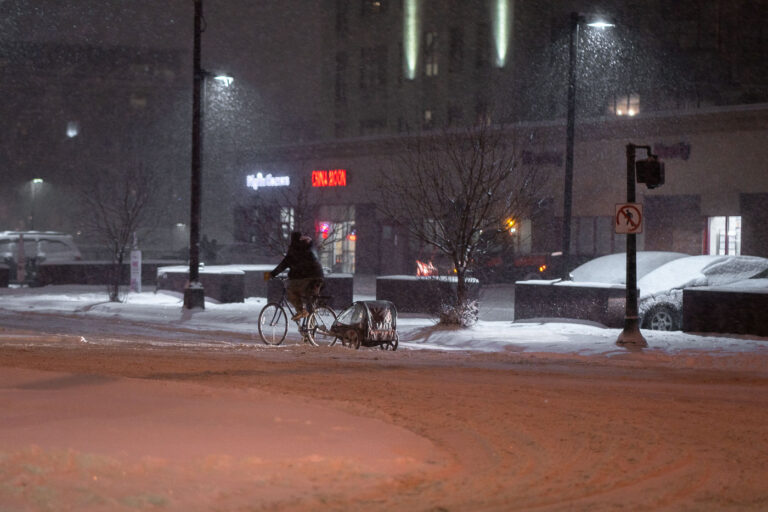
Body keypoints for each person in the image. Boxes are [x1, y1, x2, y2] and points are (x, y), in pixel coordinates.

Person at [268, 231, 324, 321]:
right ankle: (309, 332)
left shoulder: (296, 249)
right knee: (309, 304)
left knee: (291, 290)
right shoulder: (306, 247)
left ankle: (301, 311)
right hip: (318, 278)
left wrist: (270, 275)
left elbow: (284, 264)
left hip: (310, 278)